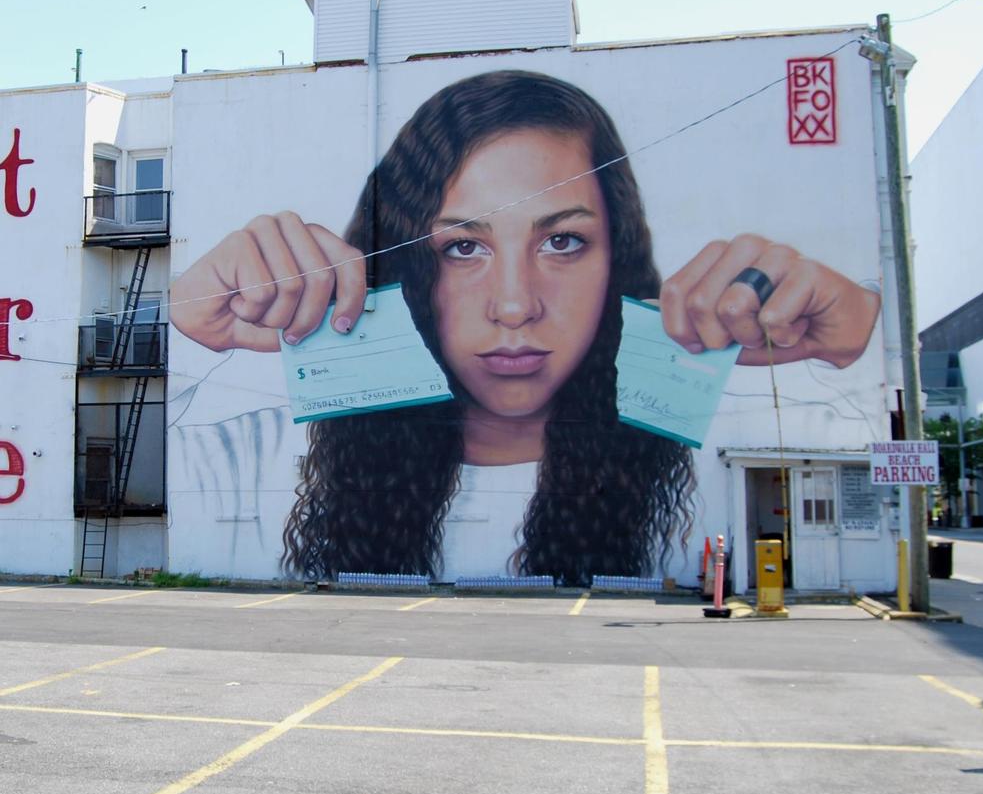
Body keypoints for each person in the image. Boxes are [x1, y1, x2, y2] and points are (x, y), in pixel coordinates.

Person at [170, 70, 880, 585]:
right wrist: (184, 304)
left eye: (562, 242)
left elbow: (848, 392)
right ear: (406, 269)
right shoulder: (242, 460)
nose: (515, 306)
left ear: (619, 258)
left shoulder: (734, 418)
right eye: (463, 248)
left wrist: (857, 322)